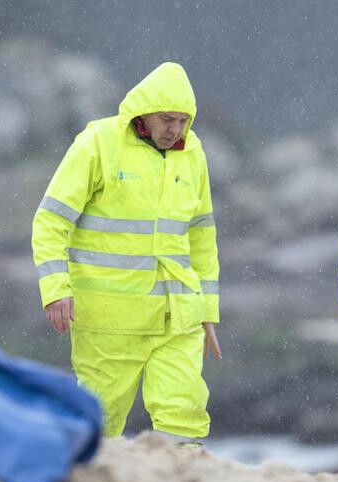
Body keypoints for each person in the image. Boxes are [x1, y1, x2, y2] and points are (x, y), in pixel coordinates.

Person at [31, 62, 222, 444]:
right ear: (144, 113)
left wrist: (208, 313)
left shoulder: (193, 152)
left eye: (184, 121)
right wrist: (55, 290)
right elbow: (50, 221)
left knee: (184, 413)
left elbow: (202, 237)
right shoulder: (97, 144)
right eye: (168, 119)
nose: (176, 130)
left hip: (179, 315)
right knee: (97, 425)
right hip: (109, 321)